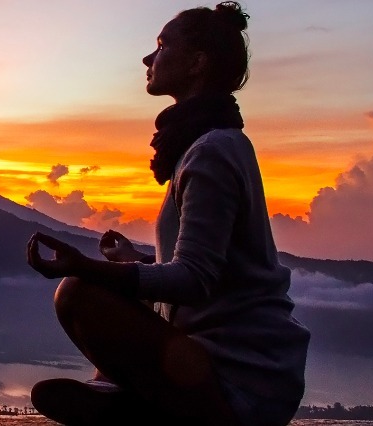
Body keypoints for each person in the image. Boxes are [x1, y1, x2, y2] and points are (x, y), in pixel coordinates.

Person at [24, 2, 310, 425]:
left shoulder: (211, 151)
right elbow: (212, 272)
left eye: (160, 46)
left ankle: (136, 402)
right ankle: (125, 397)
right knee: (94, 291)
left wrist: (88, 268)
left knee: (78, 294)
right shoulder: (207, 147)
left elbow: (194, 279)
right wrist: (136, 263)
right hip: (227, 367)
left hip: (243, 381)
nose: (148, 58)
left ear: (196, 63)